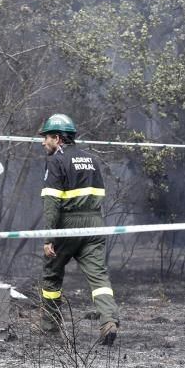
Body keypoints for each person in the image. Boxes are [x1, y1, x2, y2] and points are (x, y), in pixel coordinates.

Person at [38, 113, 120, 346]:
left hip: (67, 224)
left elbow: (51, 202)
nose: (44, 142)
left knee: (52, 274)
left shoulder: (56, 161)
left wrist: (49, 237)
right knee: (99, 277)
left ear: (58, 138)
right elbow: (101, 194)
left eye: (46, 138)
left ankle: (51, 328)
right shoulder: (91, 160)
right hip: (94, 224)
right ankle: (109, 321)